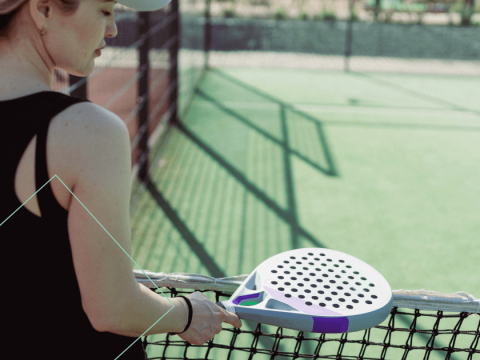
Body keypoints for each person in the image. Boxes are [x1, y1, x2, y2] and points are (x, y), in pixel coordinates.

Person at [0, 0, 242, 358]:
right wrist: (188, 313)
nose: (112, 29)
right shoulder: (87, 131)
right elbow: (111, 309)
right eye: (104, 10)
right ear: (44, 8)